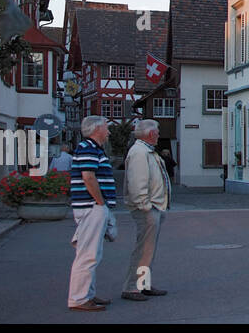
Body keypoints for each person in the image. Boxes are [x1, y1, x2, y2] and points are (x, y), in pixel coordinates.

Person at [67, 116, 116, 312]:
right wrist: (100, 202)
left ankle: (87, 294)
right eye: (106, 128)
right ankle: (79, 298)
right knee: (88, 255)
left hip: (91, 206)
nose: (109, 132)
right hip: (91, 207)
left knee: (92, 254)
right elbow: (88, 176)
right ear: (96, 129)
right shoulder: (88, 147)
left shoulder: (91, 148)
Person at [121, 119, 171, 302]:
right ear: (150, 134)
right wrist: (145, 207)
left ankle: (142, 284)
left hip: (153, 207)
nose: (158, 135)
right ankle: (133, 287)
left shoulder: (145, 151)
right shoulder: (140, 153)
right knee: (143, 249)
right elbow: (137, 182)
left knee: (147, 249)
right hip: (147, 209)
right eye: (157, 132)